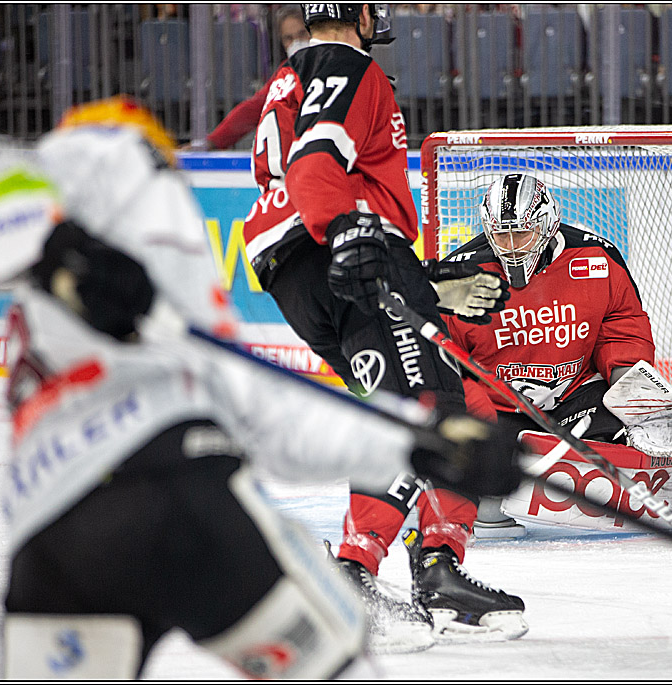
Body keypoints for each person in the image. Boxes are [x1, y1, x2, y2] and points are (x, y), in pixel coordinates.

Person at [0, 97, 523, 678]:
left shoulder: (175, 306)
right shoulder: (116, 174)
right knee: (341, 665)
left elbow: (272, 420)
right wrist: (65, 253)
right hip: (177, 497)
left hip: (54, 535)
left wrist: (418, 442)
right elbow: (10, 180)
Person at [241, 3, 525, 643]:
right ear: (361, 14)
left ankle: (437, 567)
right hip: (344, 247)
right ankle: (354, 575)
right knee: (423, 408)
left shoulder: (295, 73)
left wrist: (411, 275)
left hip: (300, 268)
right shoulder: (349, 66)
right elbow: (317, 166)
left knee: (452, 404)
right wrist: (347, 234)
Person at [441, 173, 661, 536]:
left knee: (618, 425)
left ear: (545, 225)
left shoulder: (596, 258)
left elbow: (621, 322)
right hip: (499, 408)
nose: (510, 246)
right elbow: (445, 361)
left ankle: (615, 459)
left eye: (521, 233)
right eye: (501, 234)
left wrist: (627, 378)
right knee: (474, 471)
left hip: (575, 398)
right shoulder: (458, 276)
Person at [182, 6, 311, 151]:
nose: (296, 42)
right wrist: (212, 142)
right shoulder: (287, 71)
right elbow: (254, 108)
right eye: (288, 38)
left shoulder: (334, 64)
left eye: (302, 34)